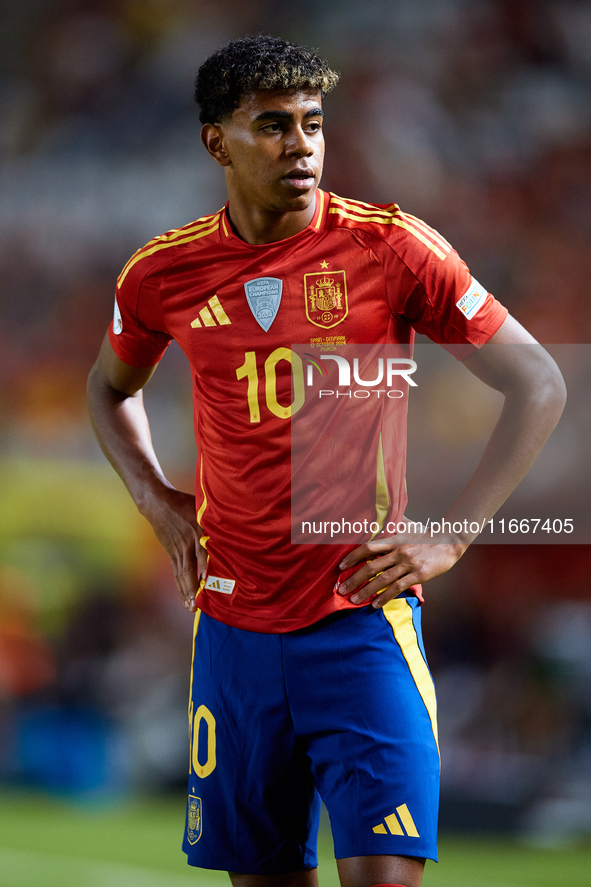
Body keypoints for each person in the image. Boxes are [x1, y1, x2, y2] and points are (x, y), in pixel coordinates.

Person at [87, 35, 566, 887]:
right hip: (232, 628)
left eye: (311, 123)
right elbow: (108, 389)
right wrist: (160, 504)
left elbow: (538, 381)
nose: (300, 143)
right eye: (271, 125)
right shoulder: (161, 273)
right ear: (215, 142)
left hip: (359, 619)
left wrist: (450, 538)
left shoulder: (392, 250)